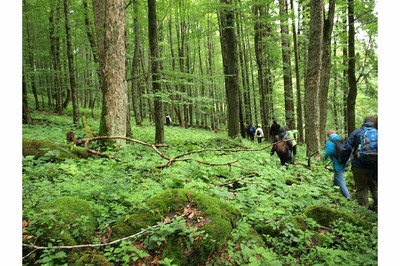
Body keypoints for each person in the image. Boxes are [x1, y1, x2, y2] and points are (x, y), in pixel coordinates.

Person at [344, 116, 378, 210]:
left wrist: (343, 162)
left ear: (364, 122)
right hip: (376, 166)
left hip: (359, 166)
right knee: (376, 187)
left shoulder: (357, 132)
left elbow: (346, 148)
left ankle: (364, 212)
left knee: (361, 188)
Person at [324, 130, 351, 199]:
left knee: (340, 179)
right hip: (345, 162)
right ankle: (335, 191)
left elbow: (327, 153)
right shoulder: (341, 140)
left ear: (328, 136)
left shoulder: (330, 143)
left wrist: (323, 159)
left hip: (338, 164)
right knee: (337, 177)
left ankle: (348, 197)